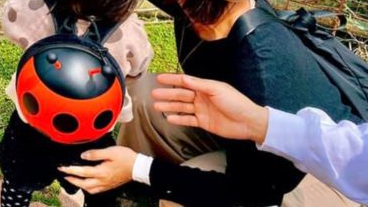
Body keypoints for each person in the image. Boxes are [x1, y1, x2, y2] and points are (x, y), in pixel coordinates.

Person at [3, 0, 359, 207]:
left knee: (181, 201)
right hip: (239, 136)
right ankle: (120, 188)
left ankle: (132, 177)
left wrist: (140, 169)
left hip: (304, 183)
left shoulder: (262, 72)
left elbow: (251, 192)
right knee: (143, 96)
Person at [0, 0, 153, 207]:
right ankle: (74, 193)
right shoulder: (132, 34)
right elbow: (137, 70)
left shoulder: (27, 10)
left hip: (31, 125)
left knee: (18, 179)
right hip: (91, 133)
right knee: (95, 184)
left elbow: (10, 23)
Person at [151, 73, 368, 204]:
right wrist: (255, 122)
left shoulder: (261, 65)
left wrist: (138, 168)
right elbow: (348, 151)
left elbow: (253, 194)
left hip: (310, 184)